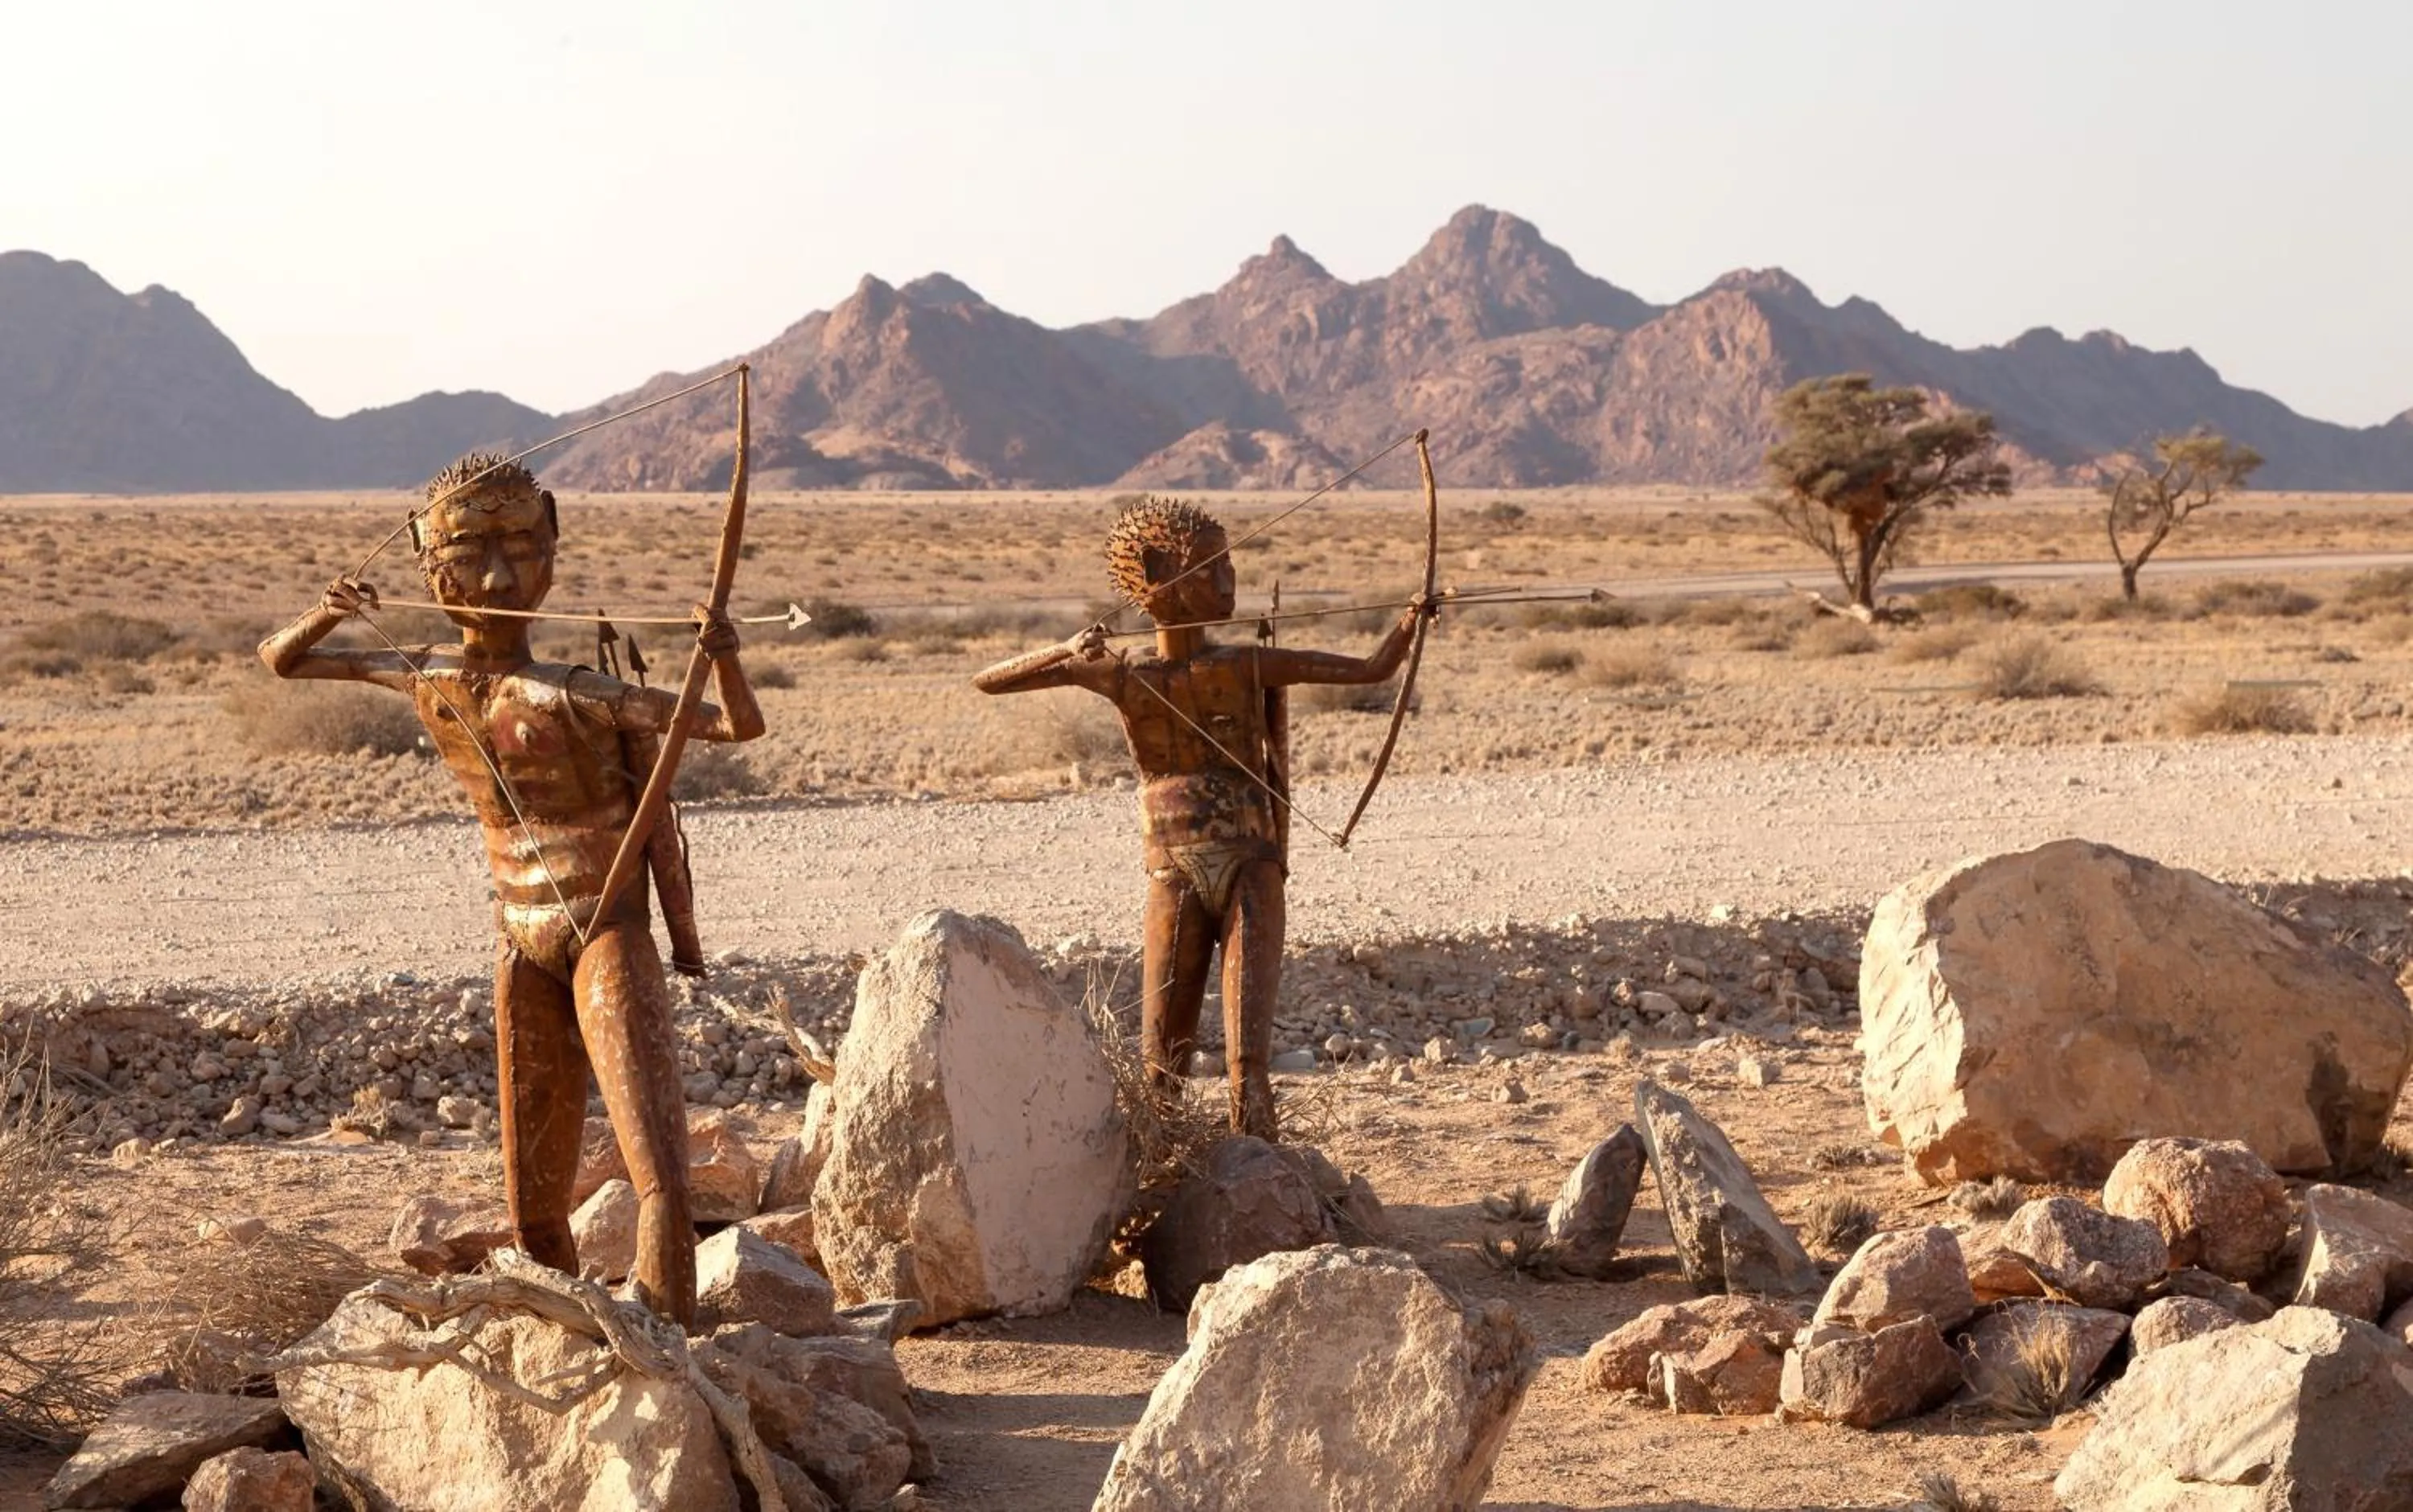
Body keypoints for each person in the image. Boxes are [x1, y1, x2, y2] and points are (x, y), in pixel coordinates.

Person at [257, 453, 763, 1325]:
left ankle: (672, 1362)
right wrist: (329, 610)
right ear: (427, 560)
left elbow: (735, 727)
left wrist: (722, 659)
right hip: (519, 934)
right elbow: (281, 659)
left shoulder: (577, 694)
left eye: (522, 545)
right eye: (469, 550)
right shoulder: (425, 674)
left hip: (603, 924)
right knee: (533, 1198)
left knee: (659, 1180)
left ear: (553, 550)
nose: (497, 575)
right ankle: (557, 1326)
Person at [974, 497, 1432, 1137]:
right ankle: (1160, 1176)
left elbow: (1374, 670)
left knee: (1249, 1062)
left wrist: (1412, 621)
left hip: (1249, 860)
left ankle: (1257, 1171)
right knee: (1161, 1058)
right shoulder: (1122, 671)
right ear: (1158, 573)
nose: (1227, 583)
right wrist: (1066, 648)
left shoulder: (1240, 663)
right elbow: (989, 681)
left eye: (1229, 565)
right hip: (1173, 867)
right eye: (1209, 567)